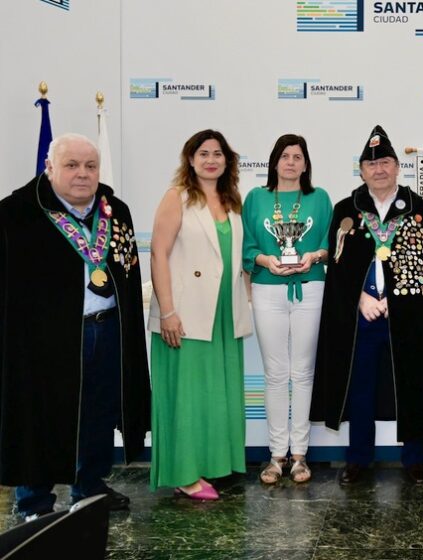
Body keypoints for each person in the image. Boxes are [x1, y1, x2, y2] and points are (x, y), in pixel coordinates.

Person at [0, 133, 150, 521]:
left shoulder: (115, 210)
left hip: (108, 328)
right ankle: (34, 500)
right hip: (45, 342)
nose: (83, 174)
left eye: (90, 166)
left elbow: (128, 273)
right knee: (43, 417)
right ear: (49, 168)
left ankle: (90, 488)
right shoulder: (17, 214)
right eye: (71, 165)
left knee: (99, 414)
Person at [310, 125, 423, 486]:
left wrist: (399, 299)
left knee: (412, 385)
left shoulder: (420, 210)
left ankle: (415, 460)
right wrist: (360, 297)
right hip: (363, 316)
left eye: (386, 161)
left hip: (409, 315)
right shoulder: (346, 210)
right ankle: (358, 460)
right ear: (361, 170)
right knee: (361, 390)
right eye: (371, 164)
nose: (379, 169)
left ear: (397, 166)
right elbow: (337, 268)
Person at [148, 129, 252, 500]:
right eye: (203, 153)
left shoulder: (233, 201)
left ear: (227, 160)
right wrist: (168, 312)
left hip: (224, 315)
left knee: (216, 394)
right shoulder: (176, 198)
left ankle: (212, 465)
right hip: (185, 316)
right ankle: (184, 473)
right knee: (186, 396)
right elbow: (158, 253)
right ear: (190, 160)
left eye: (218, 153)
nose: (211, 159)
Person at [242, 134, 332, 484]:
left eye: (297, 156)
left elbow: (327, 243)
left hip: (311, 288)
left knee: (303, 371)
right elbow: (248, 246)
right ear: (274, 162)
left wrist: (314, 256)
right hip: (267, 288)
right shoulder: (256, 198)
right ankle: (276, 455)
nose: (291, 162)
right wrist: (265, 259)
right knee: (276, 373)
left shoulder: (319, 198)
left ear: (306, 163)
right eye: (284, 156)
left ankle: (300, 456)